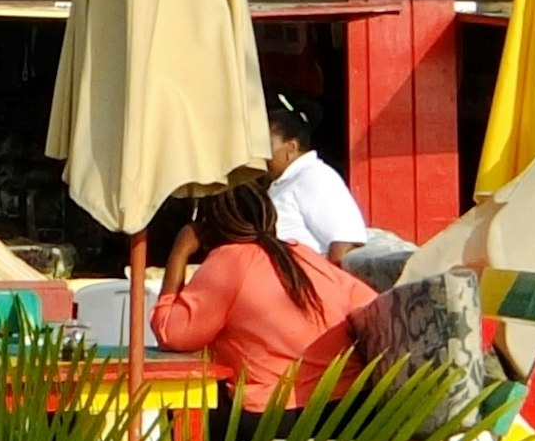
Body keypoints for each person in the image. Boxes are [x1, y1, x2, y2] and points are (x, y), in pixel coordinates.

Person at [151, 176, 376, 407]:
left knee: (182, 407)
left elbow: (172, 335)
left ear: (208, 227)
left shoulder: (229, 261)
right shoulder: (303, 255)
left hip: (277, 411)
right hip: (350, 404)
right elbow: (369, 304)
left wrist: (179, 252)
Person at [263, 97, 371, 264]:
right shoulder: (286, 181)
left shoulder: (314, 177)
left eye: (266, 146)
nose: (262, 155)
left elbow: (346, 241)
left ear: (291, 147)